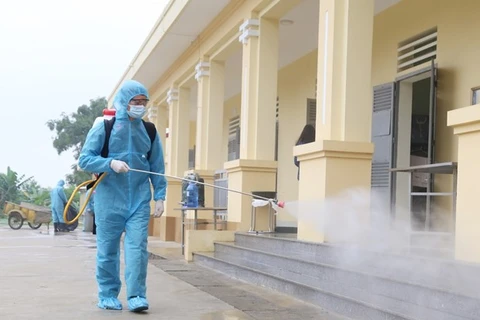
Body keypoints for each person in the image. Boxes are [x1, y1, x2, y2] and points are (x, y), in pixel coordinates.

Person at [78, 80, 167, 312]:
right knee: (108, 251)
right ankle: (107, 294)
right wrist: (110, 163)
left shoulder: (149, 130)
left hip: (138, 200)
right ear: (124, 102)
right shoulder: (105, 128)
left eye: (143, 102)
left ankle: (137, 296)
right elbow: (85, 159)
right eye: (135, 102)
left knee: (137, 249)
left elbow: (156, 165)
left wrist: (160, 195)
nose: (140, 106)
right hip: (109, 200)